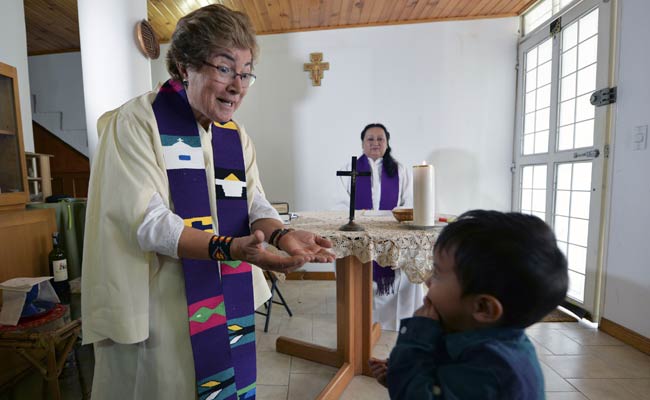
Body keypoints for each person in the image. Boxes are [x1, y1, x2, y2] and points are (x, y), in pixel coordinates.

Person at [81, 5, 334, 400]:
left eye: (246, 71)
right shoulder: (136, 122)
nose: (239, 85)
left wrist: (282, 234)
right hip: (163, 306)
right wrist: (230, 249)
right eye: (224, 67)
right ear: (185, 66)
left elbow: (256, 203)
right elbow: (147, 221)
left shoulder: (234, 135)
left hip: (225, 296)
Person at [369, 210, 568, 399]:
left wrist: (413, 349)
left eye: (437, 273)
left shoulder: (492, 369)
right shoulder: (474, 333)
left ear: (483, 308)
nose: (428, 281)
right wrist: (404, 373)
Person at [336, 123, 421, 331]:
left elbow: (408, 202)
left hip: (391, 231)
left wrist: (393, 221)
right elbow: (339, 202)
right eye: (370, 139)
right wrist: (357, 220)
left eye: (380, 139)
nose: (375, 143)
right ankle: (361, 320)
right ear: (363, 143)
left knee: (401, 273)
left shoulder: (399, 169)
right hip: (360, 231)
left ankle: (393, 322)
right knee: (359, 273)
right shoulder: (351, 167)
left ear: (387, 142)